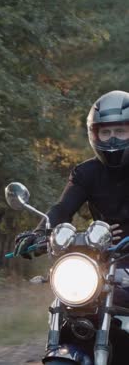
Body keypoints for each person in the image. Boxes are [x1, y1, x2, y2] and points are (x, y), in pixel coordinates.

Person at [14, 90, 129, 259]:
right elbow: (63, 208)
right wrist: (39, 234)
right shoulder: (86, 173)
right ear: (94, 134)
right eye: (105, 133)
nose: (112, 139)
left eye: (120, 131)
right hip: (104, 259)